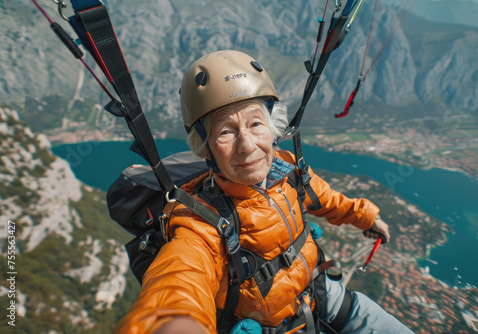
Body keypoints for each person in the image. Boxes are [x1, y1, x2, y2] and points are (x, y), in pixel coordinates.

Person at [114, 50, 413, 334]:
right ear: (206, 148)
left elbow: (328, 200)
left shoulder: (288, 171)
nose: (247, 145)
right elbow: (179, 278)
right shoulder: (200, 221)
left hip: (320, 296)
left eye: (256, 123)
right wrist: (171, 323)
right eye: (226, 132)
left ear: (273, 128)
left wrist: (366, 217)